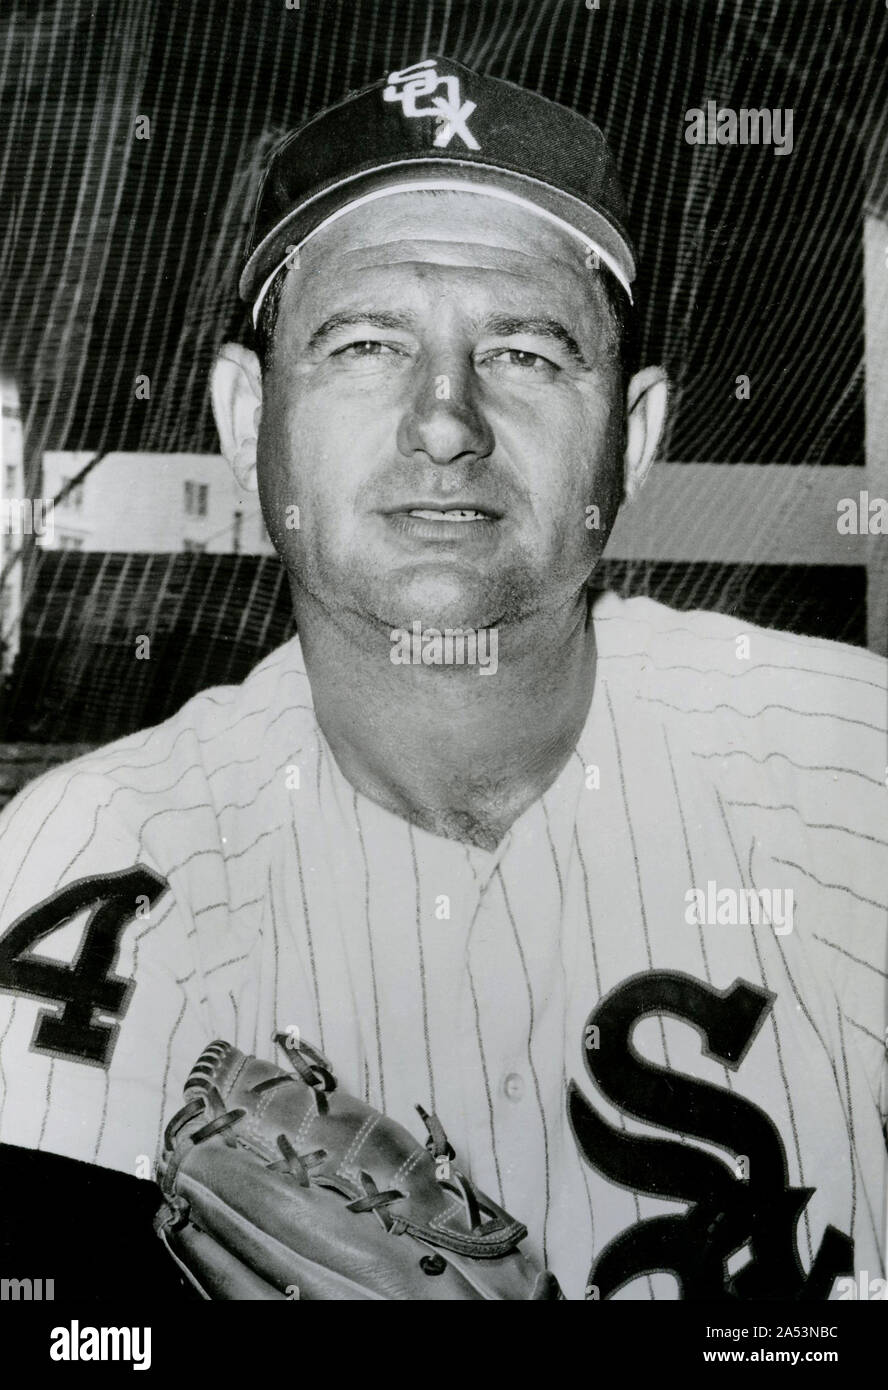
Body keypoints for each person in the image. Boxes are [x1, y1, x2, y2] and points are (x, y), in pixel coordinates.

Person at [0, 57, 884, 1301]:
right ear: (247, 418)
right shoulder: (67, 873)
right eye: (365, 343)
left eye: (524, 353)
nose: (443, 421)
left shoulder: (859, 778)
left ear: (627, 440)